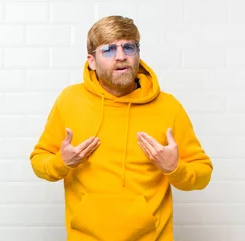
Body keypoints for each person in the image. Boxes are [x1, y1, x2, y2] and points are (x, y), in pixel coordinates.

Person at [29, 15, 213, 241]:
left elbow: (203, 174)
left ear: (138, 53)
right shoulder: (69, 101)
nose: (121, 57)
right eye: (108, 50)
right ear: (92, 61)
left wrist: (174, 167)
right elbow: (38, 161)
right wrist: (62, 162)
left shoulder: (168, 107)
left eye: (129, 47)